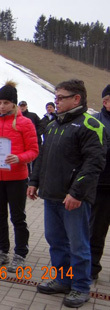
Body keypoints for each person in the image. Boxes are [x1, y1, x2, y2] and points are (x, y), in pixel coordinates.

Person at [27, 79, 106, 308]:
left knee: (78, 244)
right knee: (55, 241)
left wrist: (77, 193)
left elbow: (94, 163)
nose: (56, 101)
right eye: (56, 97)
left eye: (61, 97)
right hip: (51, 196)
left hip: (74, 199)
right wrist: (34, 181)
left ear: (76, 99)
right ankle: (62, 280)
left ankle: (81, 287)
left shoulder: (91, 125)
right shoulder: (52, 126)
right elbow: (43, 157)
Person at [0, 81, 38, 272]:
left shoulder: (25, 123)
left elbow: (34, 151)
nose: (2, 106)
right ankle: (2, 250)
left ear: (14, 103)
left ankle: (20, 252)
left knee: (18, 217)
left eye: (6, 102)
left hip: (17, 178)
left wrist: (19, 158)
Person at [90, 84, 110, 280]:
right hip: (102, 185)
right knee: (96, 230)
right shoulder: (95, 122)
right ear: (106, 102)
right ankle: (91, 267)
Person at [18, 101, 40, 175]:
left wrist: (35, 133)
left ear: (26, 106)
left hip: (34, 142)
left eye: (23, 106)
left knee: (35, 161)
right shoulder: (17, 118)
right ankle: (27, 177)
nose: (22, 107)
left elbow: (42, 125)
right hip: (22, 144)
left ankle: (34, 177)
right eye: (21, 106)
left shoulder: (33, 115)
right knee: (24, 162)